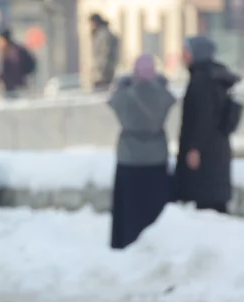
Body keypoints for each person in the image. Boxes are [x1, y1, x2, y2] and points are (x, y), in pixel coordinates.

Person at [107, 54, 175, 249]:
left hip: (129, 158)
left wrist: (121, 85)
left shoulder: (125, 95)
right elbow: (169, 99)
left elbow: (111, 101)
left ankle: (126, 241)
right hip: (156, 158)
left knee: (129, 209)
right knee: (154, 207)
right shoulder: (163, 95)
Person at [174, 36, 239, 214]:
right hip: (216, 150)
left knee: (206, 205)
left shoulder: (201, 80)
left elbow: (203, 117)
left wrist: (195, 147)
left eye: (186, 51)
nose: (183, 55)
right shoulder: (216, 76)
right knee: (215, 202)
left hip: (205, 152)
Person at [0, 29, 35, 98]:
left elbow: (13, 72)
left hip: (16, 89)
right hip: (13, 88)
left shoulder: (13, 51)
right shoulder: (10, 51)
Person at [90, 13, 120, 92]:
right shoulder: (100, 33)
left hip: (103, 74)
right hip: (103, 73)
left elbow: (104, 54)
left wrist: (100, 74)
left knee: (101, 93)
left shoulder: (103, 34)